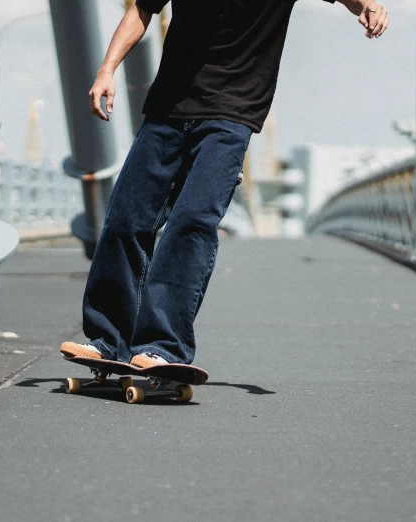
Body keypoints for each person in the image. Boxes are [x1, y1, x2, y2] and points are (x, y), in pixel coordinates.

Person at [61, 0, 389, 368]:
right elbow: (141, 10)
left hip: (232, 115)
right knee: (125, 219)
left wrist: (368, 6)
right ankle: (109, 339)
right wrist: (107, 70)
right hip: (167, 109)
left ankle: (162, 347)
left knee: (192, 223)